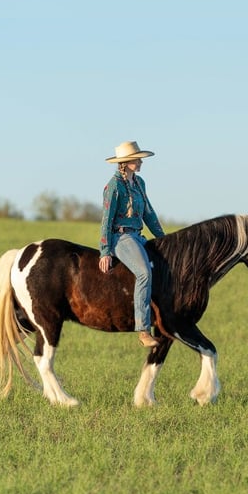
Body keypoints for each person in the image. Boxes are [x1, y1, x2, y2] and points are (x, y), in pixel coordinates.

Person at [99, 141, 165, 347]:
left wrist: (164, 239)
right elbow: (106, 219)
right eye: (137, 159)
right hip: (122, 237)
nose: (140, 161)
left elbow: (149, 213)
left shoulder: (139, 183)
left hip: (138, 235)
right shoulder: (114, 186)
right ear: (126, 163)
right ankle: (143, 330)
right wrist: (105, 251)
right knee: (144, 272)